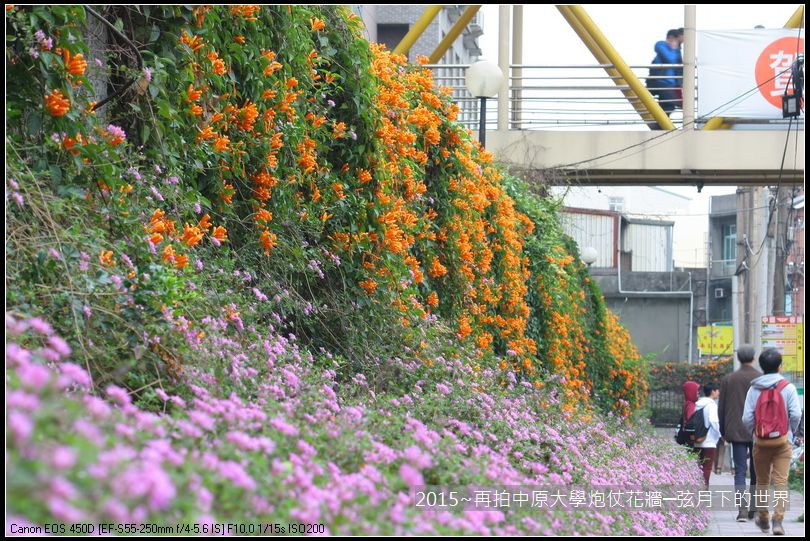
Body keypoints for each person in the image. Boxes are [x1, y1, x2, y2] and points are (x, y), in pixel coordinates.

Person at [742, 348, 803, 535]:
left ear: (761, 366)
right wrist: (788, 431)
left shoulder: (754, 388)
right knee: (781, 482)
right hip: (783, 442)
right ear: (780, 366)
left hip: (760, 442)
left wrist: (756, 433)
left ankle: (764, 518)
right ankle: (778, 520)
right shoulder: (788, 387)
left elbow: (746, 418)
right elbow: (796, 414)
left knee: (762, 481)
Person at [719, 344, 761, 521]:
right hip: (758, 431)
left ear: (738, 358)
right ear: (753, 358)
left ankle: (742, 511)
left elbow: (721, 408)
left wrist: (723, 430)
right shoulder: (761, 378)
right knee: (757, 472)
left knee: (740, 471)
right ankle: (755, 508)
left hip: (736, 431)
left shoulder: (729, 379)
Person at [647, 28, 684, 129]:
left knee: (668, 105)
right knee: (669, 103)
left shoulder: (675, 50)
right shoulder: (661, 45)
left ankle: (660, 126)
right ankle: (660, 126)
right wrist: (674, 48)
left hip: (670, 83)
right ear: (671, 38)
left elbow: (678, 67)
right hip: (661, 81)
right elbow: (670, 59)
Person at [694, 383, 721, 487]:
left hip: (697, 440)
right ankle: (704, 489)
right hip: (709, 441)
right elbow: (714, 421)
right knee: (707, 467)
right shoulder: (711, 405)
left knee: (699, 466)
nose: (718, 393)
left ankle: (697, 488)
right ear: (713, 391)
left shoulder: (697, 404)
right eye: (717, 390)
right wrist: (719, 434)